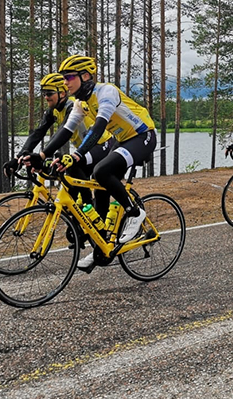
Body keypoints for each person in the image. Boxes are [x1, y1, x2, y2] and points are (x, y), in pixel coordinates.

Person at [23, 55, 157, 271]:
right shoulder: (80, 103)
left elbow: (99, 127)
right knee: (98, 183)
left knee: (102, 171)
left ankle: (134, 213)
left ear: (85, 76)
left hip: (143, 135)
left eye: (68, 77)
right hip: (123, 140)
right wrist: (41, 155)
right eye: (63, 78)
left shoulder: (106, 92)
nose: (65, 82)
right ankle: (101, 247)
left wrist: (77, 155)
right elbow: (66, 131)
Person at [2, 73, 114, 207]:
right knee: (70, 191)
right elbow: (38, 133)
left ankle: (89, 206)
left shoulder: (73, 107)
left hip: (102, 145)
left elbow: (62, 133)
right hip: (86, 150)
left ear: (62, 93)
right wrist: (17, 158)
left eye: (49, 93)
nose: (46, 97)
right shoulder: (53, 110)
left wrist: (42, 155)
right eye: (44, 93)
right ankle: (77, 214)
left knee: (71, 166)